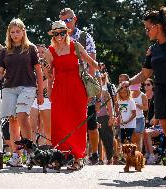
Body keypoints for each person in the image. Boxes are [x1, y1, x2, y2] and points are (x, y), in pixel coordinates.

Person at [122, 7, 166, 181]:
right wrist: (129, 82)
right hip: (161, 92)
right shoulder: (153, 49)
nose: (146, 31)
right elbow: (145, 74)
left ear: (158, 26)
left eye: (148, 28)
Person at [45, 20, 99, 170]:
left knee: (78, 122)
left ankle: (78, 157)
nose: (60, 36)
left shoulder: (75, 45)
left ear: (67, 32)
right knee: (59, 123)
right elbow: (49, 76)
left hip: (77, 88)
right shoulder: (50, 50)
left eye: (62, 32)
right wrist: (48, 88)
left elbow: (90, 61)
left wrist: (99, 67)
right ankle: (60, 156)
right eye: (56, 33)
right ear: (53, 35)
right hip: (59, 88)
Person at [0, 18, 44, 167]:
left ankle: (30, 153)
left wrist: (40, 92)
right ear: (9, 34)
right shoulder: (5, 51)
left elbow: (38, 71)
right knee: (12, 120)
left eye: (17, 31)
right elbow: (0, 70)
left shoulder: (30, 48)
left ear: (23, 32)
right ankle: (16, 155)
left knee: (22, 117)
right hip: (9, 88)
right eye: (12, 32)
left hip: (27, 87)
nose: (15, 35)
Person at [59, 8, 101, 165]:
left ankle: (95, 153)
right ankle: (73, 152)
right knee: (71, 121)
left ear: (75, 19)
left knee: (90, 123)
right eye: (62, 21)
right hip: (66, 84)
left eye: (68, 20)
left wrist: (90, 87)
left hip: (83, 83)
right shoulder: (59, 37)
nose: (65, 24)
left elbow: (92, 63)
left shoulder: (84, 36)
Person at [30, 44, 51, 145]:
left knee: (44, 126)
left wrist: (40, 88)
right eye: (38, 52)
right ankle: (32, 150)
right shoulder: (30, 64)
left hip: (46, 98)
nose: (41, 54)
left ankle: (43, 148)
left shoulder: (48, 64)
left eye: (43, 52)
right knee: (32, 126)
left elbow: (49, 79)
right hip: (32, 97)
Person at [130, 84, 148, 152]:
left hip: (139, 119)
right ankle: (132, 156)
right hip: (131, 119)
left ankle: (138, 156)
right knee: (132, 138)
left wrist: (137, 105)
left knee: (138, 138)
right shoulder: (129, 95)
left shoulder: (143, 95)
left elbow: (146, 108)